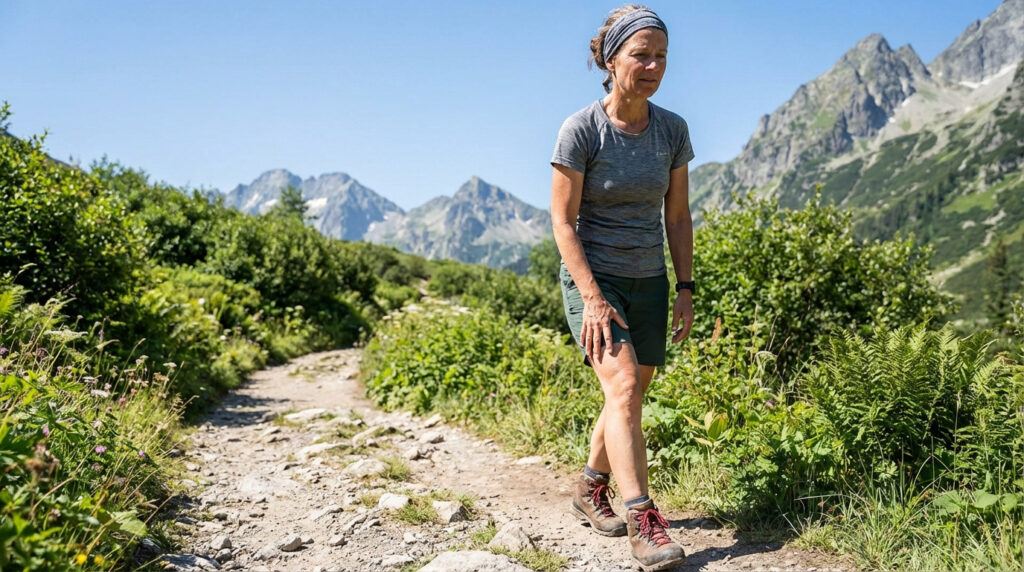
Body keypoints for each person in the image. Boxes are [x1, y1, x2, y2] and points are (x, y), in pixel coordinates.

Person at [549, 5, 694, 571]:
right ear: (611, 60)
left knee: (626, 396)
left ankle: (590, 488)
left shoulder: (673, 130)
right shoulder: (582, 129)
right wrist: (590, 294)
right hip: (594, 277)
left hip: (650, 279)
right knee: (626, 386)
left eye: (661, 56)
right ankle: (643, 521)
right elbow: (563, 221)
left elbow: (677, 218)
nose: (653, 65)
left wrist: (685, 286)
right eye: (641, 54)